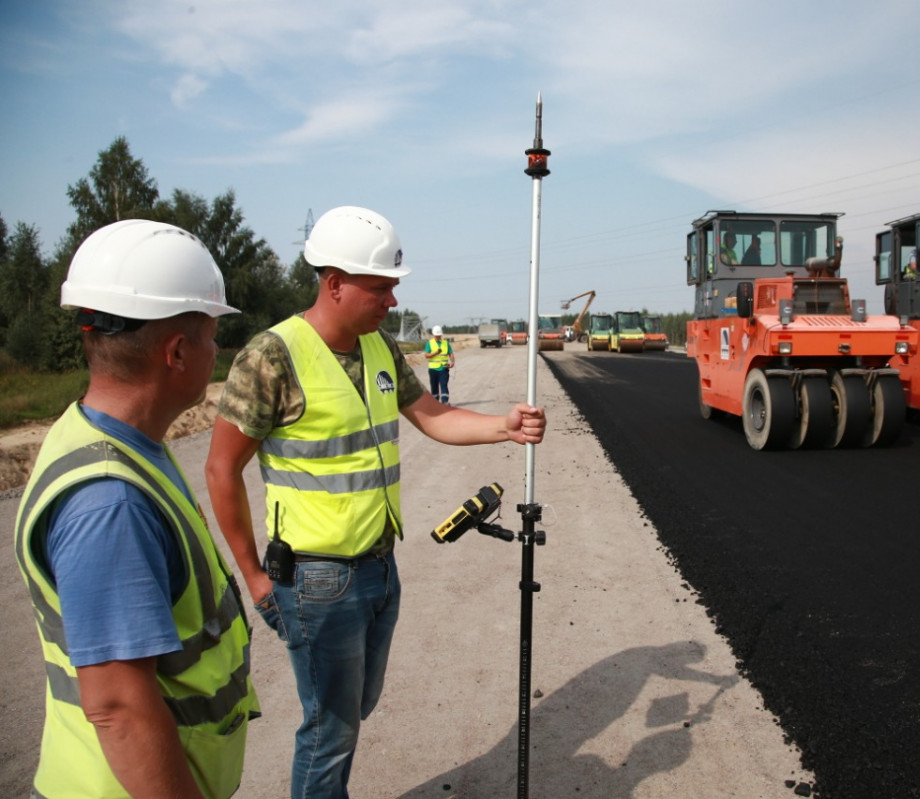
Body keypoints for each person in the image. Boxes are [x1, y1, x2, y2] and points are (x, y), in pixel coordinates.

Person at [204, 205, 546, 799]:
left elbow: (433, 416)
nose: (391, 301)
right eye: (381, 287)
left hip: (379, 569)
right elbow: (219, 468)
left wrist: (503, 426)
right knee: (328, 730)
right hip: (315, 580)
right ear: (334, 284)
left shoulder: (380, 348)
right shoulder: (271, 356)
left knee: (355, 706)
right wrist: (255, 578)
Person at [13, 219, 259, 798]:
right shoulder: (109, 500)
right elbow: (119, 708)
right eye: (208, 333)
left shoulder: (114, 439)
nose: (216, 348)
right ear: (176, 351)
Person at [424, 324, 455, 403]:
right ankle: (435, 403)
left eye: (439, 335)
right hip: (433, 369)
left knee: (444, 385)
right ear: (433, 334)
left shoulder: (445, 343)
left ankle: (445, 402)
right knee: (434, 387)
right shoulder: (429, 343)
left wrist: (452, 361)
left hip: (444, 369)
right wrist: (435, 353)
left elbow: (450, 353)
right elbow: (426, 355)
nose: (438, 337)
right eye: (436, 335)